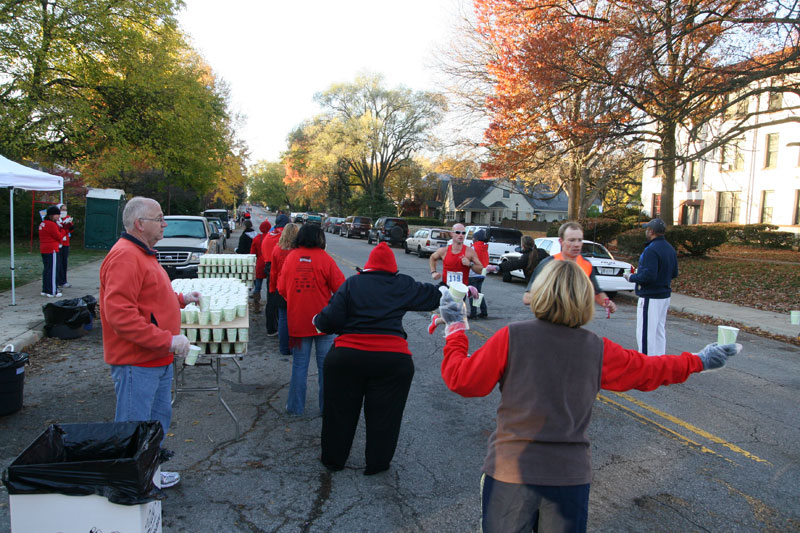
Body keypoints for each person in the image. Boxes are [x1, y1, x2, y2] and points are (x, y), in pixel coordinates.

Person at [437, 259, 741, 532]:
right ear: (585, 299)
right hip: (568, 478)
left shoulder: (512, 337)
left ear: (539, 293)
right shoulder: (597, 348)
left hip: (510, 472)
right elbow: (650, 370)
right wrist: (700, 360)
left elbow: (463, 381)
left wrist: (456, 329)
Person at [99, 196, 202, 489]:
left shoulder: (143, 253)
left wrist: (181, 299)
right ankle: (131, 485)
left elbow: (151, 297)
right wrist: (167, 340)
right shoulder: (125, 256)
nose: (164, 224)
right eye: (159, 219)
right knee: (135, 427)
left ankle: (150, 474)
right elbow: (120, 316)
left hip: (156, 358)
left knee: (155, 424)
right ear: (139, 224)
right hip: (137, 362)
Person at [314, 242, 441, 475]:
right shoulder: (402, 284)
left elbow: (328, 320)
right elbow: (433, 297)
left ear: (367, 267)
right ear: (393, 270)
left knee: (339, 412)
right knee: (386, 415)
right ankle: (377, 463)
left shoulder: (352, 284)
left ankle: (334, 459)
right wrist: (449, 285)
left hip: (347, 358)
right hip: (393, 360)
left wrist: (320, 322)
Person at [277, 223, 345, 415]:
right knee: (326, 367)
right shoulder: (325, 259)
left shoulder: (291, 258)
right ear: (320, 238)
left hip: (298, 320)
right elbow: (341, 288)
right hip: (323, 321)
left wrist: (296, 300)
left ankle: (295, 407)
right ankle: (327, 407)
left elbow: (281, 288)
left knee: (299, 365)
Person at [522, 221, 617, 317]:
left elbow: (596, 292)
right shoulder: (549, 264)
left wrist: (607, 303)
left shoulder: (586, 264)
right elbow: (527, 298)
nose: (576, 244)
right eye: (571, 240)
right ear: (561, 241)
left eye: (580, 240)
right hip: (550, 320)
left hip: (575, 322)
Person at [623, 218, 678, 356]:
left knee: (645, 333)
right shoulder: (670, 249)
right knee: (659, 331)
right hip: (664, 295)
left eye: (647, 229)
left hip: (650, 296)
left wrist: (631, 277)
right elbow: (674, 273)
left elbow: (648, 276)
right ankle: (660, 361)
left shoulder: (651, 250)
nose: (646, 231)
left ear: (651, 232)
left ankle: (646, 364)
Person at [269, 222, 299, 356]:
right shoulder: (298, 250)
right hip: (296, 287)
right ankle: (295, 346)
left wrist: (272, 287)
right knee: (296, 319)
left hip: (280, 287)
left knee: (283, 318)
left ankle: (283, 347)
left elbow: (273, 271)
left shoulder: (277, 249)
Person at [262, 213, 290, 336]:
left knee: (271, 298)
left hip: (268, 265)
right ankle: (281, 325)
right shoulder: (284, 234)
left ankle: (271, 328)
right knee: (283, 300)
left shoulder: (269, 234)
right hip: (280, 267)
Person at [38, 205, 65, 298]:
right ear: (51, 215)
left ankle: (45, 289)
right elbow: (58, 236)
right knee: (53, 270)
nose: (58, 216)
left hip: (44, 248)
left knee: (47, 269)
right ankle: (52, 291)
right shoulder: (51, 224)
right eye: (56, 214)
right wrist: (64, 230)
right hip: (52, 249)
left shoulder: (43, 223)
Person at [467, 229, 494, 319]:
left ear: (477, 239)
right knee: (478, 293)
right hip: (482, 274)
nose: (472, 239)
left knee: (472, 293)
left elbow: (468, 260)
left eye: (473, 238)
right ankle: (484, 311)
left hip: (472, 274)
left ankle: (473, 313)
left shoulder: (473, 248)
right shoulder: (485, 249)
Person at [249, 219, 272, 313]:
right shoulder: (272, 237)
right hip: (270, 263)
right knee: (270, 286)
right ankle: (270, 306)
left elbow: (252, 253)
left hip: (259, 264)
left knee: (258, 286)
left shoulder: (257, 238)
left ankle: (256, 306)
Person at [56, 203, 74, 289]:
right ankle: (58, 280)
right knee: (58, 262)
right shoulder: (56, 219)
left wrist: (69, 224)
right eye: (63, 209)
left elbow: (71, 229)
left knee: (64, 262)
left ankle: (63, 280)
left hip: (66, 243)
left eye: (65, 210)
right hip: (58, 243)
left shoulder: (68, 217)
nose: (64, 211)